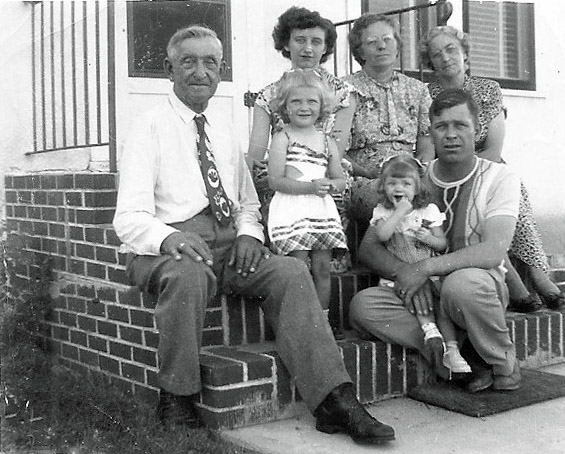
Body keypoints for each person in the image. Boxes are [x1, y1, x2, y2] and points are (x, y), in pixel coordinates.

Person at [113, 25, 394, 444]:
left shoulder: (223, 128)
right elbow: (129, 216)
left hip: (226, 244)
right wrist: (168, 238)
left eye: (211, 62)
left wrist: (248, 234)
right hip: (165, 245)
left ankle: (335, 399)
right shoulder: (147, 126)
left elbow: (246, 201)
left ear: (221, 71)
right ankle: (177, 397)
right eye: (188, 61)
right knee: (188, 276)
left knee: (290, 273)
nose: (200, 71)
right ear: (168, 68)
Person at [350, 89, 522, 393]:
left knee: (461, 286)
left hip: (474, 285)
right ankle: (443, 351)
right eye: (442, 126)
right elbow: (369, 247)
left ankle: (499, 359)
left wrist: (425, 268)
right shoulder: (412, 177)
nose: (451, 134)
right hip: (421, 290)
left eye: (460, 125)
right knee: (364, 307)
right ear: (431, 132)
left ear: (477, 128)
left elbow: (494, 250)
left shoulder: (500, 177)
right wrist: (410, 274)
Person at [419, 25, 565, 313]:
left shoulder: (488, 89)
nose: (445, 57)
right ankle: (514, 280)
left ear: (464, 54)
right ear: (430, 63)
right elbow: (428, 150)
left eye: (451, 49)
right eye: (437, 54)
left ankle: (537, 273)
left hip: (488, 163)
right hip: (447, 172)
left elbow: (494, 148)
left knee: (509, 187)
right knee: (479, 201)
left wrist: (476, 173)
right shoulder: (427, 95)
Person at [246, 6, 356, 272]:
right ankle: (283, 253)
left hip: (325, 166)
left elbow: (336, 147)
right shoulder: (269, 94)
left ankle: (329, 255)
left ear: (325, 47)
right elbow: (258, 149)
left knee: (338, 186)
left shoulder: (342, 92)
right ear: (286, 43)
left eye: (316, 41)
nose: (308, 48)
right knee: (257, 181)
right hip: (282, 164)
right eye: (300, 40)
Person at [371, 155, 470, 376]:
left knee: (441, 303)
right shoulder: (383, 212)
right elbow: (382, 235)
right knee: (414, 298)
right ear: (384, 187)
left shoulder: (428, 211)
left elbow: (442, 243)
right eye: (392, 183)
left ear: (417, 188)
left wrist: (427, 238)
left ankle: (451, 348)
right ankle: (431, 334)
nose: (399, 188)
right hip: (401, 274)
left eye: (406, 184)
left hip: (427, 267)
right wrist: (399, 213)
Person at [267, 69, 347, 327]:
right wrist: (310, 188)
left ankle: (320, 322)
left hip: (320, 211)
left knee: (322, 269)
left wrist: (329, 186)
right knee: (299, 268)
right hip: (292, 209)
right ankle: (299, 321)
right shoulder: (282, 138)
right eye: (296, 101)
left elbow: (340, 179)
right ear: (284, 106)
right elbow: (275, 180)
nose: (304, 107)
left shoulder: (326, 141)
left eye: (311, 101)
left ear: (322, 106)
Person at [342, 13, 434, 229]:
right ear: (360, 51)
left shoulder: (418, 89)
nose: (381, 46)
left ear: (397, 45)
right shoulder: (344, 89)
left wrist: (419, 172)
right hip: (365, 177)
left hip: (411, 173)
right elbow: (336, 150)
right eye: (372, 42)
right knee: (390, 198)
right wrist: (368, 173)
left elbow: (427, 142)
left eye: (387, 39)